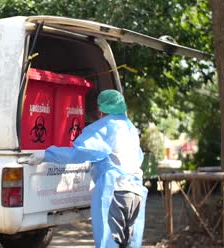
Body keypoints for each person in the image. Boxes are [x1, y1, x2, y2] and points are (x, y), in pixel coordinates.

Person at [18, 89, 147, 248]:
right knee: (130, 244)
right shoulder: (130, 128)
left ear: (101, 110)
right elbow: (137, 157)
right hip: (136, 191)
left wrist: (46, 155)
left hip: (116, 192)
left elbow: (80, 152)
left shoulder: (106, 126)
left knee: (109, 243)